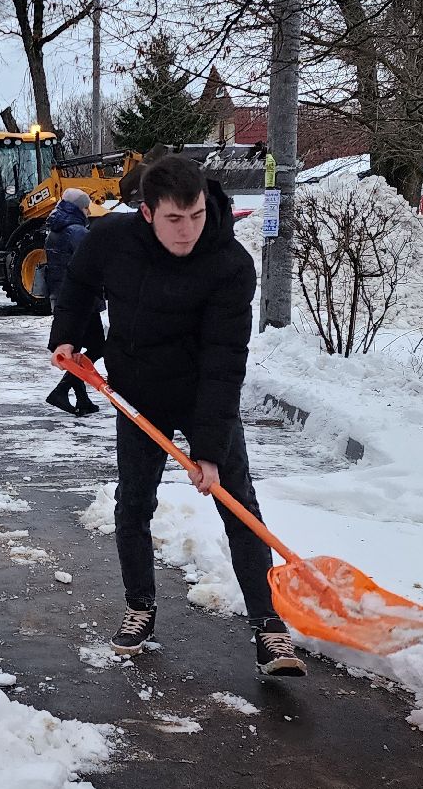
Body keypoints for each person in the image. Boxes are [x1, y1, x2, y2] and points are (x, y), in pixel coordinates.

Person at [48, 156, 305, 676]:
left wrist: (207, 450)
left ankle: (269, 626)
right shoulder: (113, 239)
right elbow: (77, 284)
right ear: (147, 213)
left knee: (240, 506)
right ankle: (140, 606)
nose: (187, 229)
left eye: (195, 216)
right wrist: (68, 335)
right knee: (133, 502)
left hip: (201, 393)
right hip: (138, 391)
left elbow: (224, 359)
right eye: (173, 219)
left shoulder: (230, 265)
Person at [42, 188, 101, 416]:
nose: (88, 211)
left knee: (73, 348)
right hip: (82, 299)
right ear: (78, 207)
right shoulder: (77, 232)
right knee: (97, 346)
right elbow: (92, 261)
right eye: (86, 207)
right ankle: (62, 389)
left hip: (62, 297)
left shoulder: (54, 230)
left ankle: (81, 398)